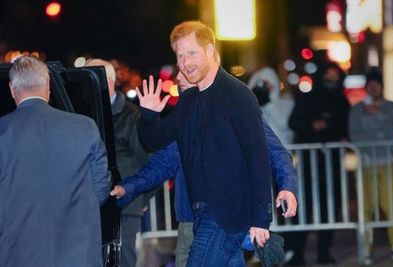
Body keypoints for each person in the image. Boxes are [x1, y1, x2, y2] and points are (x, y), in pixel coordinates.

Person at [135, 21, 295, 266]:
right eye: (180, 56)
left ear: (209, 51)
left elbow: (258, 155)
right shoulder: (189, 101)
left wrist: (261, 220)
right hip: (200, 214)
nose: (186, 63)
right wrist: (147, 114)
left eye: (192, 53)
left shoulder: (236, 95)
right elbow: (154, 140)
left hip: (225, 216)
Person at [110, 71, 298, 267]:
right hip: (192, 221)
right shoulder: (183, 119)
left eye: (186, 71)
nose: (180, 77)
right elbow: (162, 163)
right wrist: (127, 188)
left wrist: (287, 186)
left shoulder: (236, 109)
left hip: (225, 220)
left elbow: (276, 151)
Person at [0, 56, 110, 267]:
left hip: (17, 254)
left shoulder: (3, 132)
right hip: (78, 254)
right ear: (48, 86)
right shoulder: (84, 127)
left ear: (12, 89)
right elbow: (100, 188)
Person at [85, 58, 152, 267]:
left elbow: (150, 162)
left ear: (109, 82)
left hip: (125, 206)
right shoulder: (84, 116)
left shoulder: (132, 116)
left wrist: (141, 198)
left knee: (123, 260)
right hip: (92, 205)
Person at [288, 61, 350, 265]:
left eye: (335, 77)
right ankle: (298, 253)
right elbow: (295, 122)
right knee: (303, 208)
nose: (332, 81)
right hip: (309, 164)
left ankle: (324, 251)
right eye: (328, 76)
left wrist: (344, 138)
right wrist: (312, 126)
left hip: (332, 164)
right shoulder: (308, 99)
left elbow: (346, 127)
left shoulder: (341, 101)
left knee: (329, 207)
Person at [349, 68, 393, 265]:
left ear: (381, 86)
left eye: (376, 84)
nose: (373, 87)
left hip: (388, 164)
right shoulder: (357, 109)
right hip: (366, 165)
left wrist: (378, 116)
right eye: (370, 84)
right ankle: (366, 249)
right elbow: (355, 135)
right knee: (366, 209)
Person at [248, 66, 294, 144]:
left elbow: (285, 124)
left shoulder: (286, 103)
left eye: (266, 83)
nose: (263, 87)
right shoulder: (249, 107)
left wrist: (268, 103)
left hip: (281, 149)